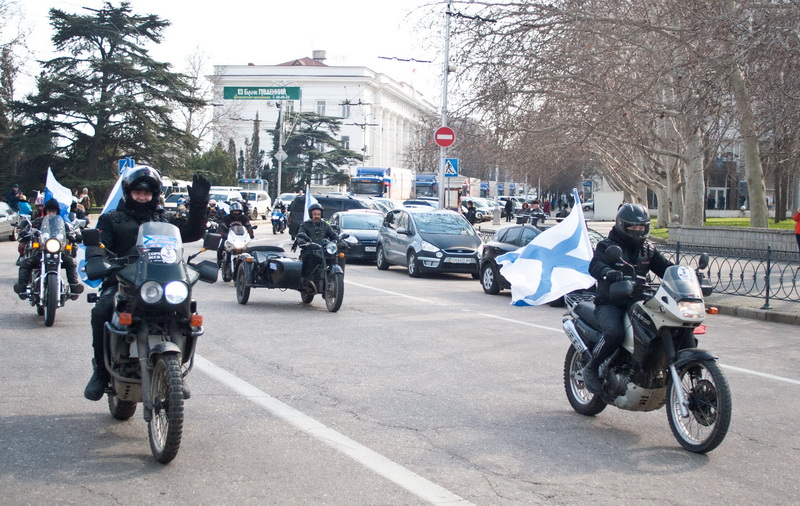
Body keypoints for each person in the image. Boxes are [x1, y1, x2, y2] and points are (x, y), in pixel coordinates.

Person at [83, 166, 210, 401]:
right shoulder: (112, 218)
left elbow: (192, 233)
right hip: (123, 280)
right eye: (137, 192)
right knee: (102, 309)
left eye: (147, 193)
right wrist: (96, 259)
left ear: (155, 195)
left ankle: (176, 374)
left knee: (187, 315)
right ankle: (100, 372)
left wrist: (200, 204)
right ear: (128, 192)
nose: (142, 197)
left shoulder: (162, 219)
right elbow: (97, 243)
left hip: (161, 281)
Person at [582, 203, 673, 394]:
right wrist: (608, 272)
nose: (638, 231)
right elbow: (595, 265)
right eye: (633, 228)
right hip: (611, 303)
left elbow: (666, 269)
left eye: (642, 228)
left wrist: (687, 275)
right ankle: (591, 367)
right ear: (622, 225)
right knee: (615, 333)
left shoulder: (648, 249)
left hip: (640, 301)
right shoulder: (608, 246)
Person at [13, 198, 84, 299]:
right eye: (49, 211)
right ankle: (22, 287)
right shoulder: (38, 222)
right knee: (25, 263)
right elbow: (29, 226)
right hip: (41, 252)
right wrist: (24, 232)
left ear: (57, 212)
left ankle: (74, 287)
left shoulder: (63, 224)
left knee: (70, 262)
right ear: (45, 211)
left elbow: (71, 232)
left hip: (58, 252)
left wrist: (76, 236)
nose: (51, 213)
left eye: (53, 211)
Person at [296, 202, 338, 278]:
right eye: (315, 214)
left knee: (334, 257)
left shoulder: (325, 225)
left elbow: (333, 235)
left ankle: (332, 276)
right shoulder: (305, 225)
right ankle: (305, 279)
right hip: (310, 249)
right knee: (307, 259)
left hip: (324, 250)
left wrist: (339, 241)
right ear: (311, 215)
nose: (317, 216)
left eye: (318, 214)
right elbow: (300, 236)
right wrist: (303, 242)